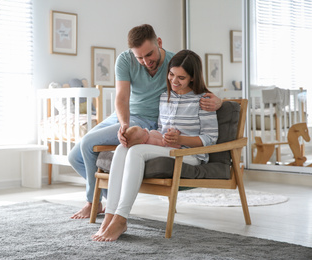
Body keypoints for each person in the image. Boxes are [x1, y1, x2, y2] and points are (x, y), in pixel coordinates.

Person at [68, 24, 222, 219]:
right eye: (139, 57)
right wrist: (124, 124)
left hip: (150, 122)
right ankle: (109, 199)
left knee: (89, 143)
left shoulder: (173, 63)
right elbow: (122, 98)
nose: (145, 61)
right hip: (126, 116)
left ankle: (94, 202)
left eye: (149, 55)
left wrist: (219, 100)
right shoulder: (125, 59)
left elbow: (195, 85)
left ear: (159, 43)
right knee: (74, 156)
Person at [92, 49, 219, 242]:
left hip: (190, 154)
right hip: (168, 149)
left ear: (193, 78)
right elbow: (162, 129)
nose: (174, 81)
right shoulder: (164, 98)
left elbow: (210, 138)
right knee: (121, 148)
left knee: (136, 152)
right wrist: (149, 135)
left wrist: (181, 140)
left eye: (181, 78)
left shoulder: (204, 101)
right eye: (171, 75)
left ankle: (121, 218)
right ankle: (110, 215)